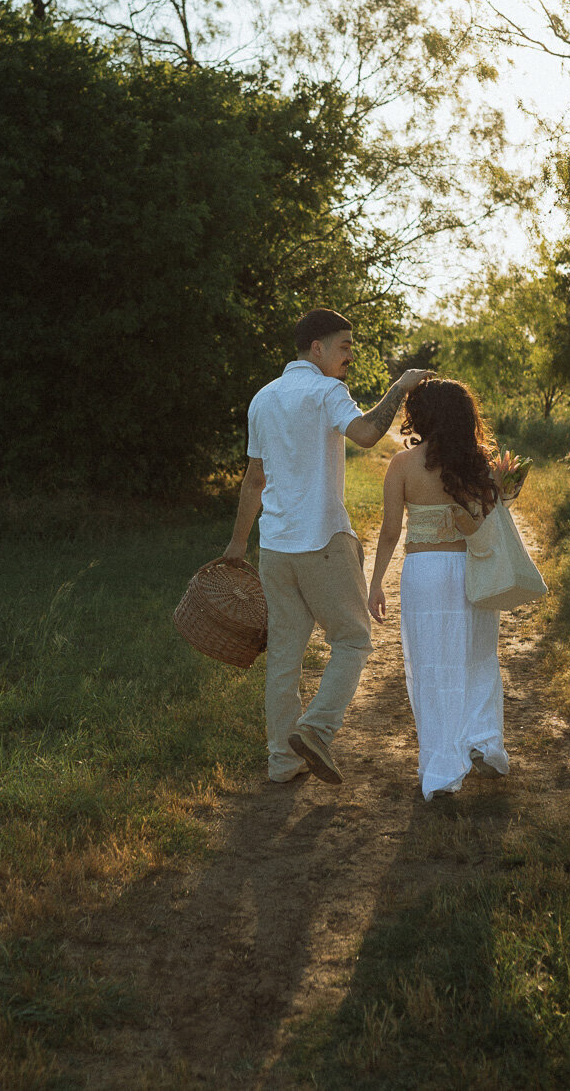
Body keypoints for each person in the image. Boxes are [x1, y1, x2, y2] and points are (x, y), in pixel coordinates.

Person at [223, 308, 430, 786]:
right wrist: (400, 387)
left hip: (274, 548)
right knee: (354, 640)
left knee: (284, 657)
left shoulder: (263, 398)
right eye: (343, 347)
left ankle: (281, 761)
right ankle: (315, 730)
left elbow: (254, 480)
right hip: (322, 541)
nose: (349, 357)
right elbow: (366, 434)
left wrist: (238, 545)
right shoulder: (326, 391)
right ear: (316, 348)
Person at [368, 378, 513, 800]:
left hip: (425, 573)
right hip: (471, 568)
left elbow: (390, 532)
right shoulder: (481, 464)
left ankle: (443, 765)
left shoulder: (402, 465)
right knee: (479, 656)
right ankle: (483, 740)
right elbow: (490, 521)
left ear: (421, 416)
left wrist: (375, 582)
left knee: (432, 667)